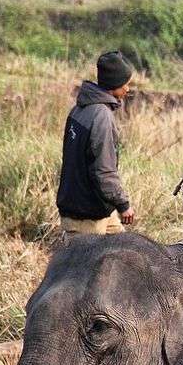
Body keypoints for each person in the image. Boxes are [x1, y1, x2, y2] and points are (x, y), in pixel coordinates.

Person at [56, 51, 137, 235]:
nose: (128, 89)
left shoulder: (78, 110)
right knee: (87, 264)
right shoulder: (102, 117)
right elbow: (104, 171)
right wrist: (124, 205)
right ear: (114, 85)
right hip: (86, 216)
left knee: (125, 254)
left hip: (96, 209)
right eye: (125, 84)